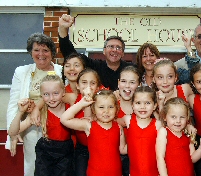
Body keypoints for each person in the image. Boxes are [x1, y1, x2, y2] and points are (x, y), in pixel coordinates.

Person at [6, 32, 62, 176]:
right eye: (36, 50)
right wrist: (13, 132)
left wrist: (37, 106)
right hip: (32, 128)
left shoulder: (61, 71)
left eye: (45, 50)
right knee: (32, 166)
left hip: (56, 126)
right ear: (31, 52)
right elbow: (13, 104)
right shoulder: (22, 72)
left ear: (52, 53)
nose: (41, 54)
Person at [9, 75, 74, 175]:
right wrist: (20, 113)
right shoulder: (41, 112)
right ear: (41, 95)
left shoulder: (70, 108)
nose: (51, 98)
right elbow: (12, 132)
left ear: (63, 92)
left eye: (56, 93)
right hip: (45, 153)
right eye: (46, 94)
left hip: (66, 154)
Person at [58, 14, 134, 90]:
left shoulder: (131, 68)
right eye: (110, 46)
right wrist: (63, 29)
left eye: (118, 47)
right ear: (104, 51)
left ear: (123, 53)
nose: (114, 50)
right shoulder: (95, 66)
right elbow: (71, 55)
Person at [61, 90, 127, 176]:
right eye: (101, 107)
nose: (106, 111)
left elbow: (122, 150)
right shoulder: (89, 126)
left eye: (110, 107)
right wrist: (81, 103)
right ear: (93, 109)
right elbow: (64, 119)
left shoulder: (118, 127)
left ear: (116, 108)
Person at [156, 97, 201, 176]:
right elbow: (160, 157)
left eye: (182, 117)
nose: (178, 121)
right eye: (173, 117)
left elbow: (192, 159)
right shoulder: (164, 132)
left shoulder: (188, 134)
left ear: (187, 118)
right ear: (164, 117)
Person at [122, 86, 162, 176]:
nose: (142, 107)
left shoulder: (158, 125)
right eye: (138, 103)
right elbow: (112, 123)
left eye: (147, 103)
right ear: (132, 105)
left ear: (155, 105)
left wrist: (189, 126)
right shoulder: (128, 120)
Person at [115, 66, 141, 176]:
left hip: (137, 156)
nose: (127, 86)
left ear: (139, 85)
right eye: (124, 81)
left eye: (132, 82)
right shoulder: (110, 101)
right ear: (118, 83)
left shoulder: (144, 105)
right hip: (113, 156)